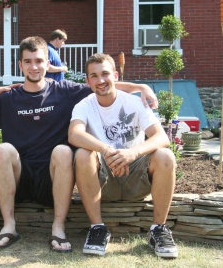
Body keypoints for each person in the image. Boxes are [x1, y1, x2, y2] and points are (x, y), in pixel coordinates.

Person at [0, 36, 158, 252]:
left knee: (64, 150)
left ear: (48, 64)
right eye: (27, 61)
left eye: (39, 61)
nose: (34, 67)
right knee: (2, 149)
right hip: (19, 177)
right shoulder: (8, 99)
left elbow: (101, 84)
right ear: (20, 65)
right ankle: (8, 226)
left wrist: (139, 86)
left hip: (53, 179)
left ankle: (58, 226)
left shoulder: (64, 91)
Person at [68, 53, 178, 258]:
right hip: (104, 181)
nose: (100, 80)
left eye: (105, 74)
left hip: (135, 173)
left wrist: (132, 152)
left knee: (165, 156)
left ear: (116, 75)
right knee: (83, 155)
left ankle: (158, 230)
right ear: (87, 81)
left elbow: (161, 137)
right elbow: (74, 134)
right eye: (94, 76)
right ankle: (97, 228)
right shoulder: (84, 105)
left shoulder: (134, 103)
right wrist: (108, 151)